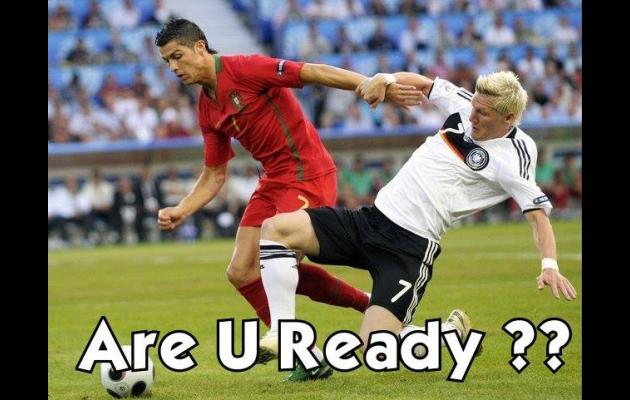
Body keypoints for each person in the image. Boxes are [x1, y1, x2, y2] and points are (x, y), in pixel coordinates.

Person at [256, 70, 577, 381]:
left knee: (376, 348)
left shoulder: (514, 157)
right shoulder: (465, 105)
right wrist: (386, 80)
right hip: (370, 221)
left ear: (509, 118)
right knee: (277, 230)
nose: (472, 116)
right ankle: (283, 332)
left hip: (408, 249)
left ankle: (448, 335)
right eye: (474, 107)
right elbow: (424, 84)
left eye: (483, 113)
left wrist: (549, 265)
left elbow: (538, 215)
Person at [153, 19, 423, 347]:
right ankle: (315, 341)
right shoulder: (207, 107)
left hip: (307, 173)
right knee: (242, 272)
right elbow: (214, 174)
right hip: (273, 180)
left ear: (199, 47)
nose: (173, 67)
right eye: (167, 61)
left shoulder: (246, 68)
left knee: (275, 258)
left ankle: (289, 336)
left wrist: (366, 83)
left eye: (177, 56)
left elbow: (312, 72)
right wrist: (182, 209)